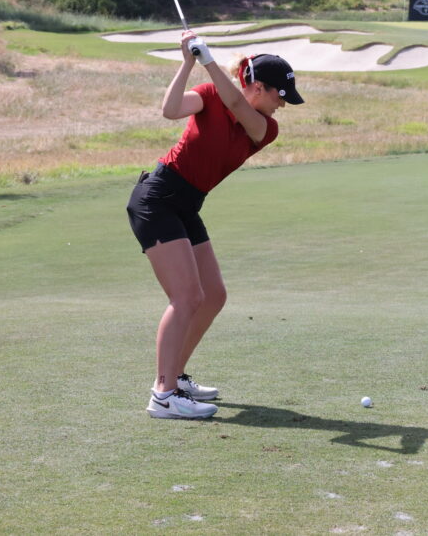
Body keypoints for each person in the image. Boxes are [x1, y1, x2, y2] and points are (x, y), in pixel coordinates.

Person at [126, 31, 304, 419]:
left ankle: (176, 376)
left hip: (188, 206)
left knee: (213, 295)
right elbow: (170, 109)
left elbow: (239, 106)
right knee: (187, 296)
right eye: (280, 96)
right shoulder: (208, 95)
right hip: (157, 199)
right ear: (259, 86)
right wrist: (190, 62)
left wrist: (208, 60)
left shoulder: (264, 129)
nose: (282, 105)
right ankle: (164, 394)